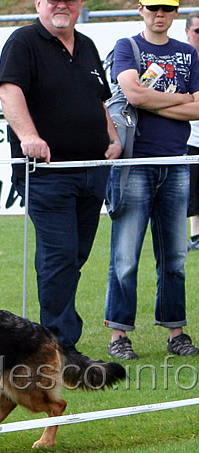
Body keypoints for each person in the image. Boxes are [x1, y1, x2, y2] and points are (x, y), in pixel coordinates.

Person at [0, 0, 122, 356]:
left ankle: (53, 337)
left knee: (74, 255)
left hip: (91, 171)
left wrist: (113, 138)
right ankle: (59, 345)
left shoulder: (86, 45)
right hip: (48, 173)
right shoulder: (24, 42)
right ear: (39, 4)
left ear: (80, 4)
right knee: (60, 256)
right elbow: (9, 91)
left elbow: (99, 101)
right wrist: (28, 137)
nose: (61, 5)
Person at [105, 0, 199, 359]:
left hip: (175, 162)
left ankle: (176, 332)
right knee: (125, 255)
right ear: (140, 10)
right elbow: (132, 94)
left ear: (175, 14)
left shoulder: (188, 54)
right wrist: (179, 99)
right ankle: (118, 336)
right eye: (154, 8)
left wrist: (153, 101)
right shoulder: (126, 46)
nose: (160, 14)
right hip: (134, 163)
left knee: (175, 255)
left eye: (167, 9)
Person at [185, 11, 199, 251]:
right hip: (190, 136)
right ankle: (195, 236)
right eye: (198, 31)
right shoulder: (183, 61)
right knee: (192, 194)